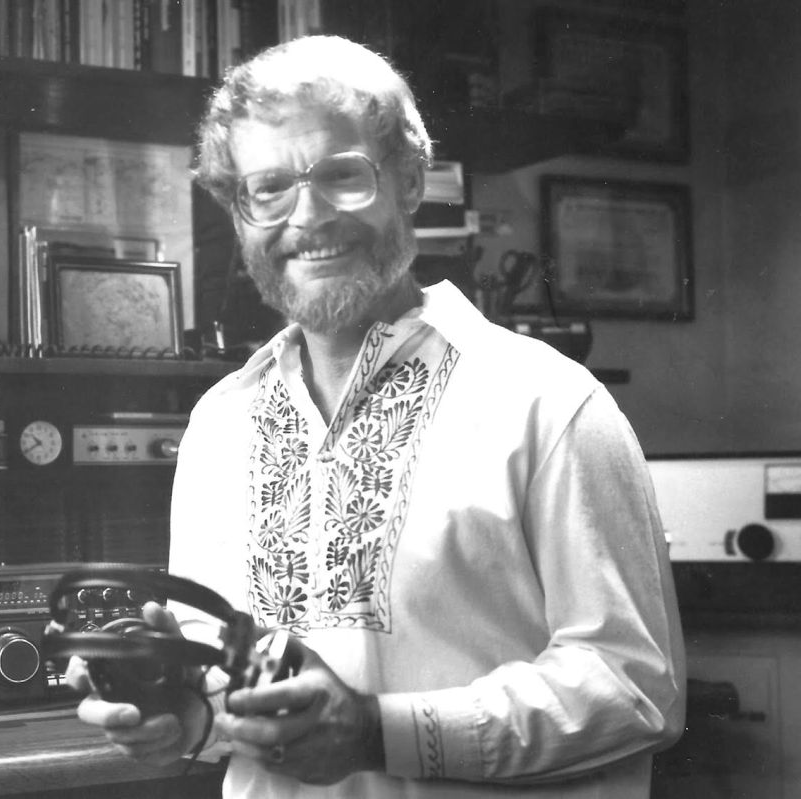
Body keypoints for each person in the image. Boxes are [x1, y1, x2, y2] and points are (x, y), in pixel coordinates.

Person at [69, 35, 686, 798]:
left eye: (341, 175)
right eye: (269, 187)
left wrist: (375, 730)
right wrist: (184, 717)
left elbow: (635, 687)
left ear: (410, 180)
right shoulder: (219, 425)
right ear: (239, 211)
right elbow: (238, 701)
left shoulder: (550, 404)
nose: (309, 217)